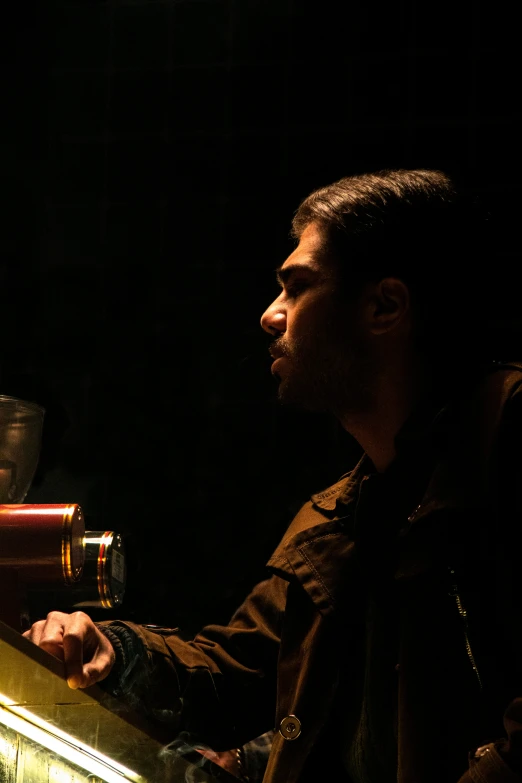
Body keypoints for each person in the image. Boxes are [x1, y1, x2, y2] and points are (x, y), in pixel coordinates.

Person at [24, 169, 522, 782]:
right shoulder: (344, 514)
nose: (270, 316)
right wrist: (115, 650)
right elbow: (242, 673)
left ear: (384, 306)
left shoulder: (508, 444)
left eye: (297, 287)